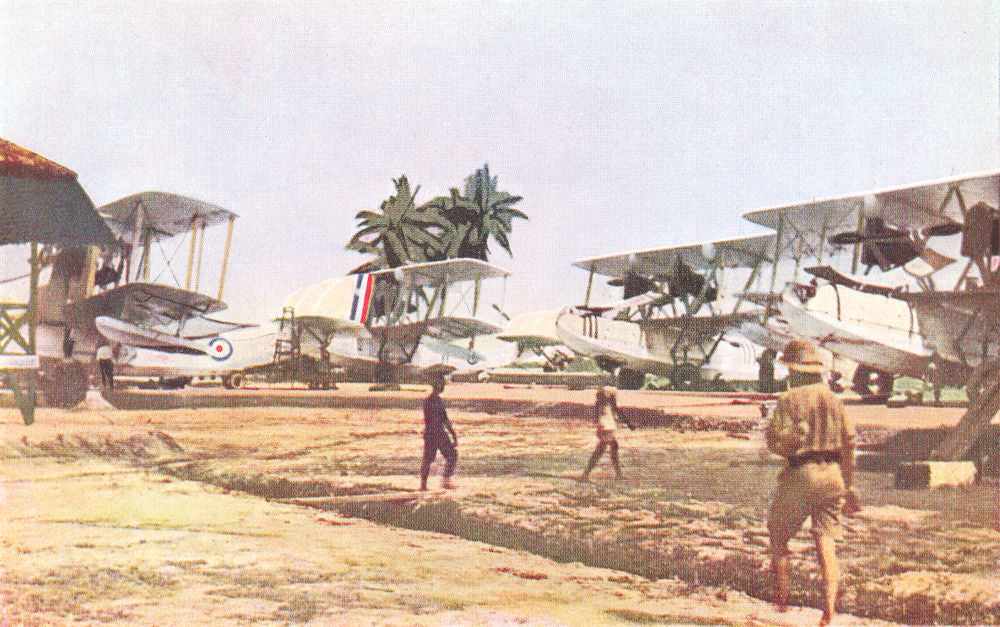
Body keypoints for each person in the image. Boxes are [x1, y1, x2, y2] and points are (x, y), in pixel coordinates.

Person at [766, 339, 859, 626]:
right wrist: (849, 484)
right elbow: (850, 443)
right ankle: (829, 609)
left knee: (778, 536)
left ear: (794, 372)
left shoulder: (787, 400)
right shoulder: (834, 400)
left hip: (801, 474)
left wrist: (793, 438)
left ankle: (783, 598)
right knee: (825, 543)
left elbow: (777, 446)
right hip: (833, 476)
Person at [579, 385, 634, 481]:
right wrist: (629, 424)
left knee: (611, 447)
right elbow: (618, 411)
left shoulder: (601, 405)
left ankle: (617, 474)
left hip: (605, 426)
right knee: (602, 450)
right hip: (607, 426)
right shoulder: (607, 405)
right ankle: (585, 475)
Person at [419, 376, 458, 491]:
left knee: (428, 459)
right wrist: (453, 435)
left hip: (431, 434)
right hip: (437, 433)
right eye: (443, 385)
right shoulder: (436, 401)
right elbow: (445, 420)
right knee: (452, 456)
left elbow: (440, 420)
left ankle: (424, 485)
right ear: (439, 386)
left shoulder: (429, 401)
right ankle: (444, 481)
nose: (444, 387)